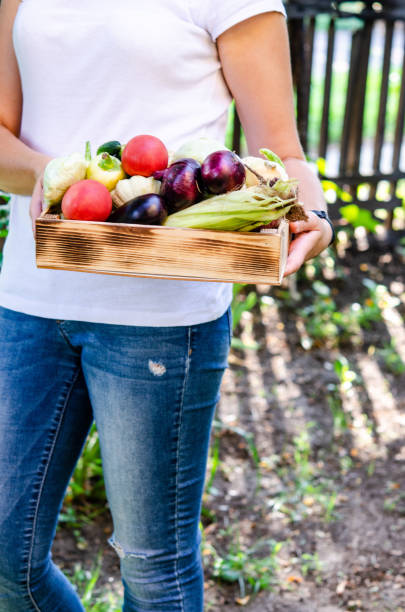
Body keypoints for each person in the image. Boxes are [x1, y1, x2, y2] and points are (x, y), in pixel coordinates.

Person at [0, 0, 334, 610]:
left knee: (154, 573)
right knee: (4, 560)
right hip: (30, 298)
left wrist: (315, 217)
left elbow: (279, 149)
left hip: (161, 320)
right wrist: (58, 176)